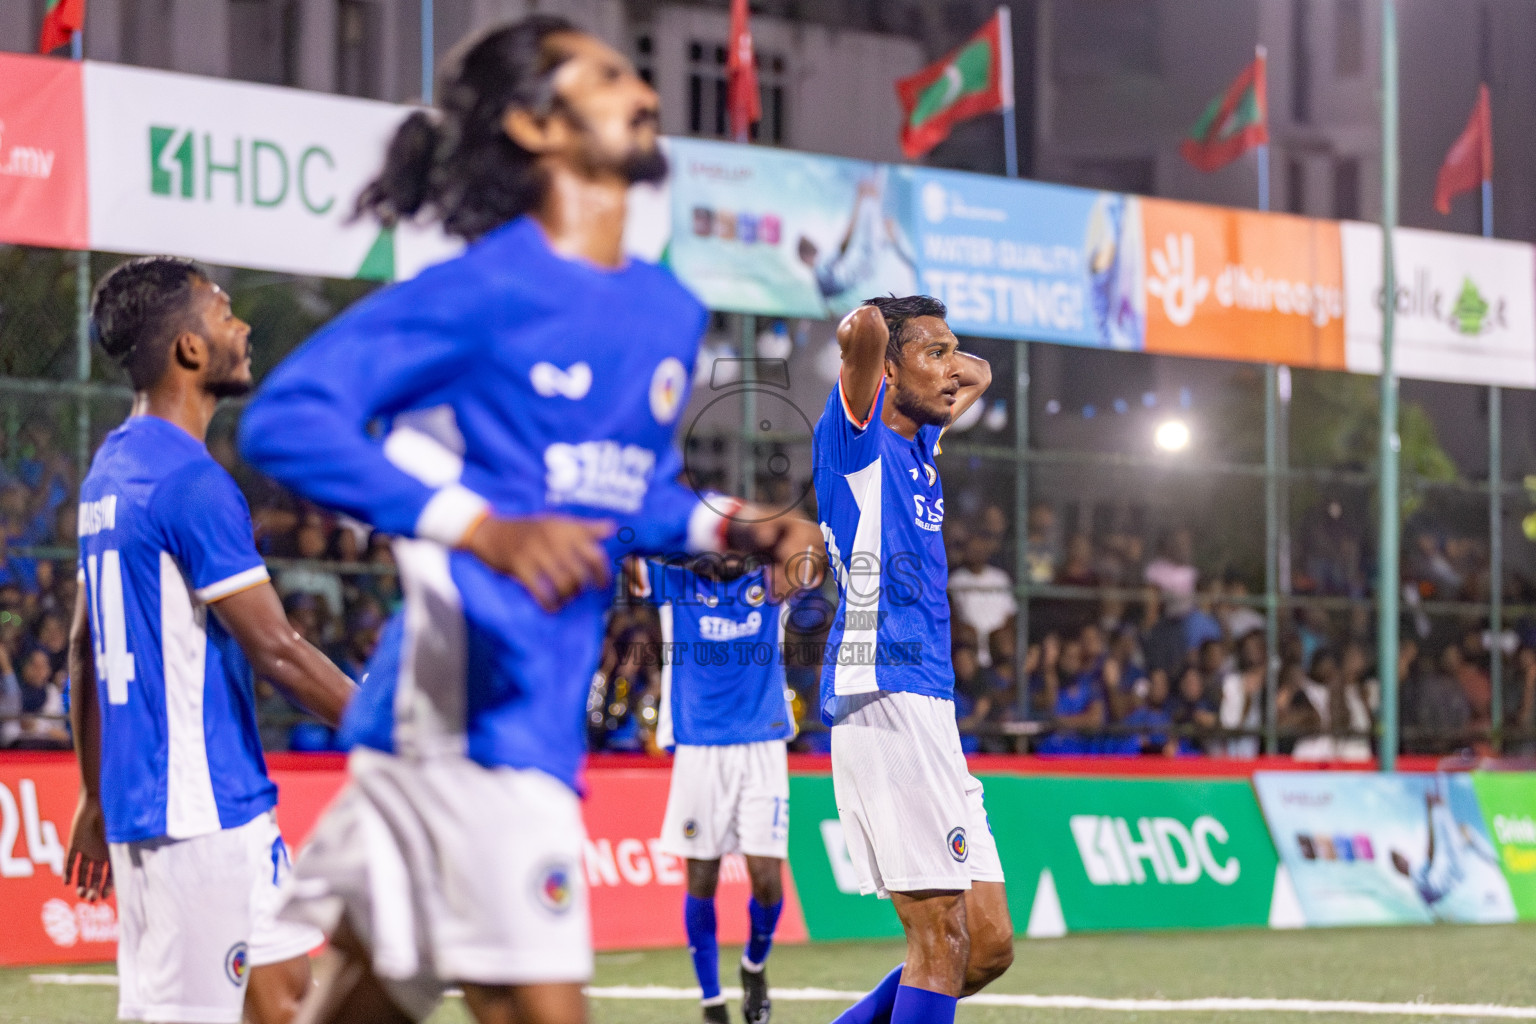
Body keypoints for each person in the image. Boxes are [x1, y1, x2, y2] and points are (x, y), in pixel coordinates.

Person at [237, 19, 822, 1024]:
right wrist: (477, 526)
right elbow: (289, 416)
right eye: (604, 76)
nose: (641, 90)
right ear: (533, 124)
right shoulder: (484, 290)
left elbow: (628, 489)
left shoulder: (666, 312)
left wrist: (734, 525)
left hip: (497, 714)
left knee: (354, 1004)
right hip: (474, 720)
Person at [62, 256, 356, 1024]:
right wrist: (397, 735)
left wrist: (95, 793)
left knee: (286, 1002)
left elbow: (83, 647)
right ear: (189, 350)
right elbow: (280, 650)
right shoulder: (187, 482)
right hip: (189, 818)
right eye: (224, 312)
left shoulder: (111, 470)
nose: (244, 325)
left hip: (222, 804)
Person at [814, 296, 1010, 1024]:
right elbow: (861, 330)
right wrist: (890, 332)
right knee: (942, 938)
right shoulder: (853, 439)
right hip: (883, 690)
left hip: (928, 697)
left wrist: (935, 354)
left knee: (986, 946)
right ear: (886, 375)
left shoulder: (919, 446)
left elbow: (981, 373)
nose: (955, 372)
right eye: (934, 355)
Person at [635, 555, 794, 1024]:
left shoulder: (771, 582)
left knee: (767, 880)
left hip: (762, 746)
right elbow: (627, 550)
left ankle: (754, 965)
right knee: (701, 879)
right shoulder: (673, 583)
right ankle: (710, 1002)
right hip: (698, 749)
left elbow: (810, 552)